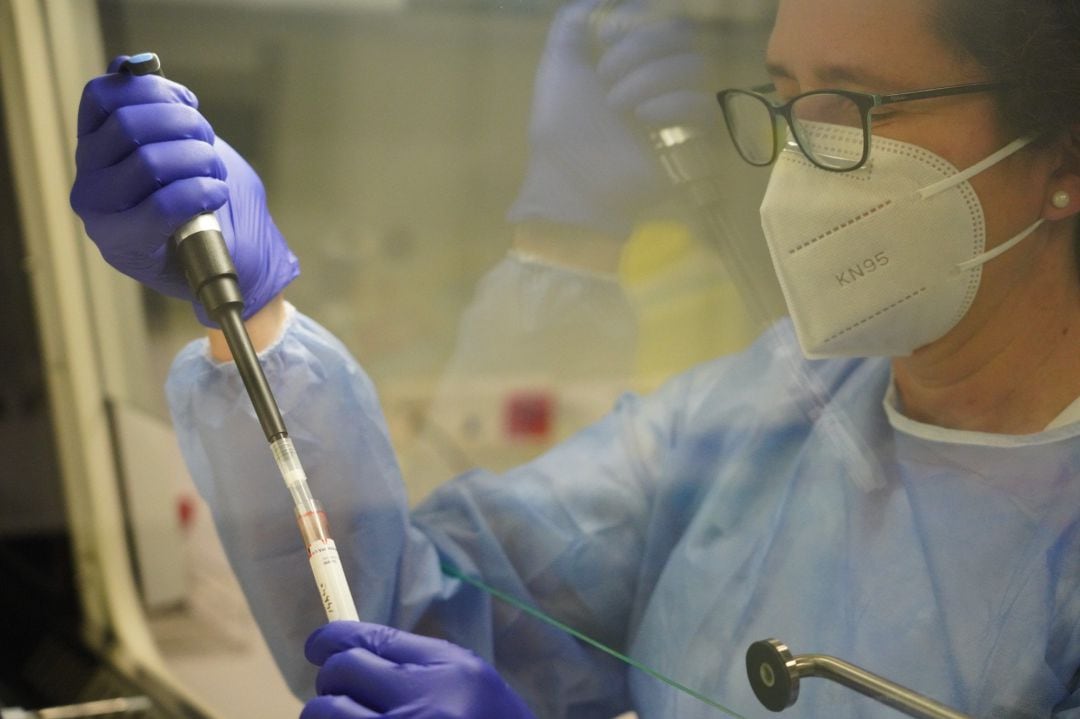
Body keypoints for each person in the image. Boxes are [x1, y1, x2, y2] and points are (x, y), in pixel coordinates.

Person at [69, 0, 1080, 717]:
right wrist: (255, 320)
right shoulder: (773, 411)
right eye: (785, 99)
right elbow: (403, 620)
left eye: (860, 107)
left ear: (1061, 164)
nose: (801, 158)